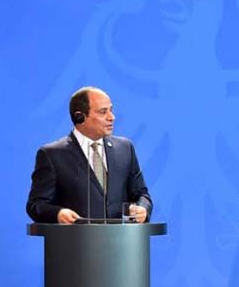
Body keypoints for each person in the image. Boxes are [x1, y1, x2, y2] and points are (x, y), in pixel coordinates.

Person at [27, 86, 152, 224]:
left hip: (120, 237)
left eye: (111, 110)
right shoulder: (52, 155)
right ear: (80, 117)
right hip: (76, 237)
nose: (112, 117)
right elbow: (36, 204)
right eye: (103, 112)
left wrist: (142, 208)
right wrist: (58, 213)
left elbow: (141, 194)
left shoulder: (125, 148)